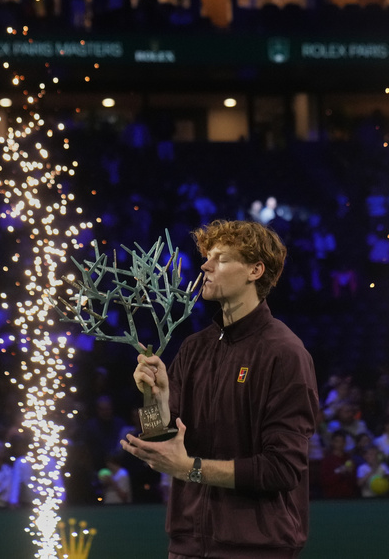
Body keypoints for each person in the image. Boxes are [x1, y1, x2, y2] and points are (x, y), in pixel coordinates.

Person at [121, 219, 319, 558]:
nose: (205, 266)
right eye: (207, 256)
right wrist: (155, 396)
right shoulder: (195, 348)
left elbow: (281, 469)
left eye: (222, 259)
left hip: (255, 549)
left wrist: (190, 469)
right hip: (187, 548)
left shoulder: (284, 353)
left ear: (255, 271)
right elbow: (162, 443)